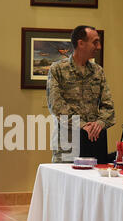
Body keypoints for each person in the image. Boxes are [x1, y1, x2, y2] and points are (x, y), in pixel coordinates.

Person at [46, 25, 115, 163]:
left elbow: (108, 106)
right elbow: (56, 106)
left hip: (94, 142)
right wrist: (83, 124)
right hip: (68, 145)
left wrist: (100, 123)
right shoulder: (58, 70)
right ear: (81, 43)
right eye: (95, 42)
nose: (99, 46)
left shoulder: (98, 71)